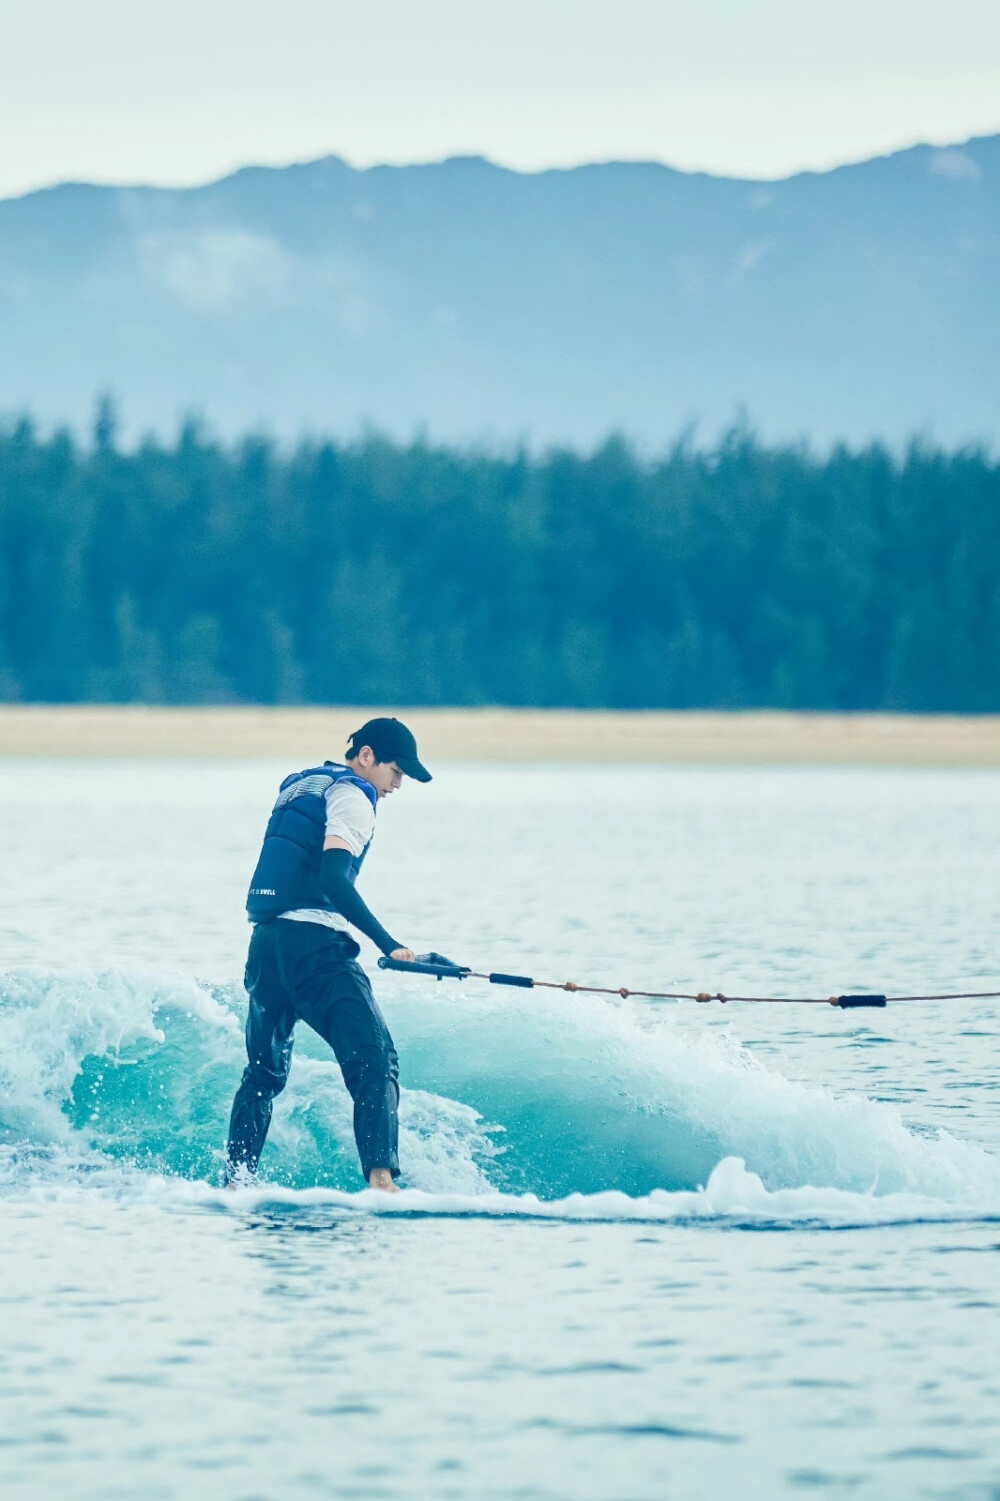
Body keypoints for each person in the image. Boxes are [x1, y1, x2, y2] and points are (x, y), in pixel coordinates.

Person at [225, 717, 432, 1192]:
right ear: (366, 758)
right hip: (315, 950)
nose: (398, 784)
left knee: (262, 1075)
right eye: (396, 772)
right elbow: (333, 878)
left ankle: (237, 1182)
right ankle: (381, 1182)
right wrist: (390, 945)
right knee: (376, 1059)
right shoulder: (355, 796)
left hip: (266, 948)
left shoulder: (301, 784)